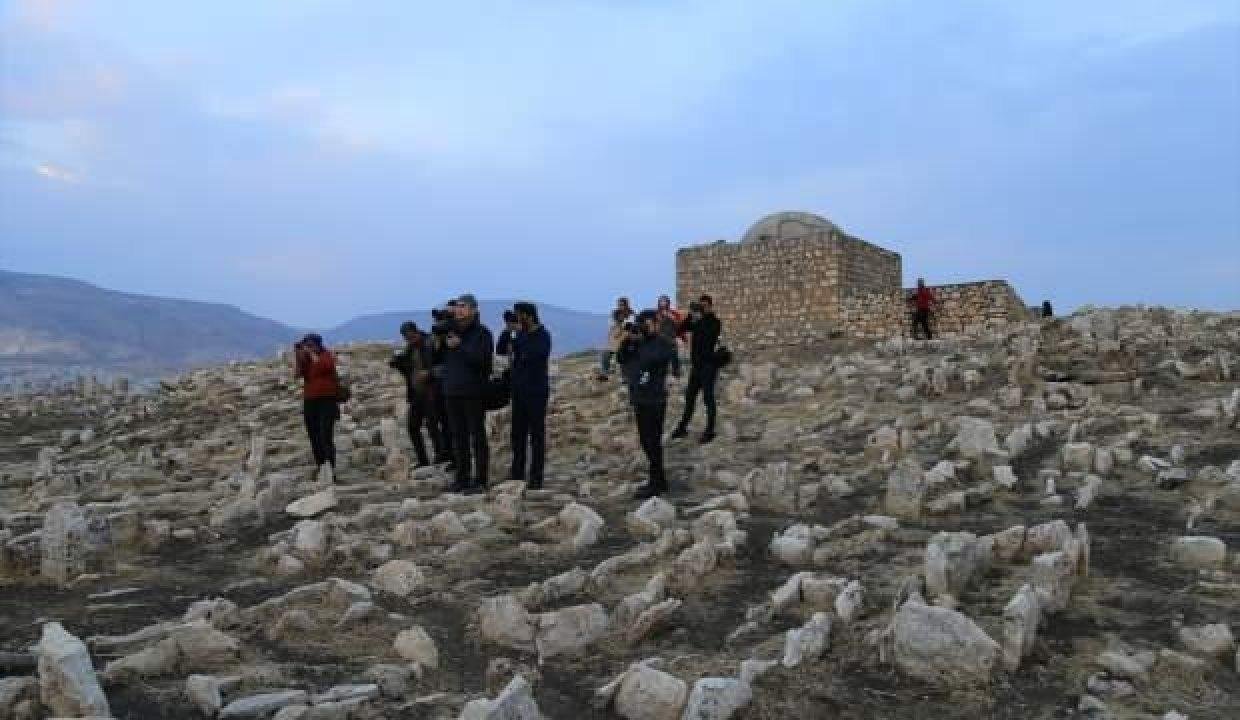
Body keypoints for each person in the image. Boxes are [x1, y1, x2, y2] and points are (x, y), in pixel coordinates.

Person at [618, 309, 677, 499]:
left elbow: (655, 359)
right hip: (639, 398)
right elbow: (621, 358)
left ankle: (657, 483)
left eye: (652, 323)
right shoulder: (637, 343)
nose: (653, 326)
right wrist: (627, 341)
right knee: (645, 441)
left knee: (653, 441)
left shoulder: (662, 343)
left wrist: (641, 341)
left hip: (655, 399)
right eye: (648, 323)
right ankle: (658, 480)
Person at [442, 294, 494, 494]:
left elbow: (483, 362)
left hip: (473, 392)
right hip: (452, 391)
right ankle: (462, 478)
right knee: (458, 437)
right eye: (457, 306)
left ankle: (480, 480)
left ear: (473, 309)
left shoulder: (482, 334)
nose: (459, 310)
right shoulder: (451, 332)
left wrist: (460, 347)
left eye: (463, 306)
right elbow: (441, 359)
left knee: (477, 436)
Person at [509, 302, 552, 489]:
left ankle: (536, 477)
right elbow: (510, 353)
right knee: (517, 434)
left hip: (536, 391)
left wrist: (520, 351)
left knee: (536, 435)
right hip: (519, 390)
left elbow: (534, 356)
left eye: (520, 315)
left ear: (529, 315)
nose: (518, 319)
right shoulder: (520, 334)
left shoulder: (543, 335)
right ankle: (517, 473)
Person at [389, 321, 442, 467]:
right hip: (417, 393)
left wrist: (429, 373)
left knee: (432, 426)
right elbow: (408, 370)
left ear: (416, 331)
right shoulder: (410, 348)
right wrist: (397, 363)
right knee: (413, 427)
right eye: (406, 337)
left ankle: (441, 455)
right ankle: (423, 460)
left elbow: (441, 366)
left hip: (431, 392)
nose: (409, 339)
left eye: (411, 336)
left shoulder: (430, 343)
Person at [671, 294, 722, 443]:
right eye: (701, 306)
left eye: (704, 306)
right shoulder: (696, 320)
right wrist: (690, 315)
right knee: (690, 398)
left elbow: (709, 337)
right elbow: (679, 330)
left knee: (708, 398)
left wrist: (699, 319)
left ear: (710, 306)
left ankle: (710, 430)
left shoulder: (714, 322)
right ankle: (682, 427)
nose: (702, 308)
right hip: (696, 367)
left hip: (708, 366)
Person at [294, 333, 340, 476]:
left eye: (311, 345)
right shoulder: (306, 359)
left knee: (325, 434)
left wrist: (312, 354)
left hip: (327, 399)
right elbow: (298, 374)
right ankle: (321, 465)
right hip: (310, 400)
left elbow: (325, 366)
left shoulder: (326, 355)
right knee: (313, 434)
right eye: (306, 345)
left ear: (318, 345)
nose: (308, 348)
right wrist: (299, 356)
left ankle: (330, 467)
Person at [429, 302, 457, 467]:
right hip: (440, 386)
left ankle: (456, 457)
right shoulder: (438, 339)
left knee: (454, 425)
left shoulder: (456, 336)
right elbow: (434, 359)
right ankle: (448, 453)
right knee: (444, 423)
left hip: (452, 386)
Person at [655, 295, 684, 377]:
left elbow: (679, 325)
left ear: (668, 303)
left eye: (664, 301)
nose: (663, 303)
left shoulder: (673, 313)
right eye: (661, 302)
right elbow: (654, 325)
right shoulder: (656, 314)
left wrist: (671, 317)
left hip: (671, 337)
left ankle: (676, 372)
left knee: (673, 355)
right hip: (660, 337)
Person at [599, 307, 628, 380]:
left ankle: (623, 375)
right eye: (619, 316)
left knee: (620, 355)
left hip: (623, 346)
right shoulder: (613, 326)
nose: (621, 317)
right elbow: (611, 338)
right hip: (613, 346)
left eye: (621, 316)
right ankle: (605, 373)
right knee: (604, 354)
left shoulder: (625, 326)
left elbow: (624, 335)